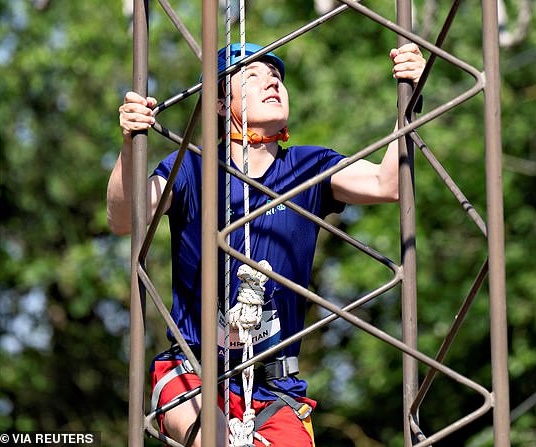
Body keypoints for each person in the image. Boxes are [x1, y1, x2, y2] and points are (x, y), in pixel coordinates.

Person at [107, 42, 425, 447]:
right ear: (222, 105)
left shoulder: (309, 167)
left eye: (275, 75)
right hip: (192, 373)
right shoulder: (190, 168)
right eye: (252, 75)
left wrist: (410, 99)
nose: (271, 80)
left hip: (276, 389)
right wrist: (130, 143)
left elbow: (389, 184)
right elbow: (122, 218)